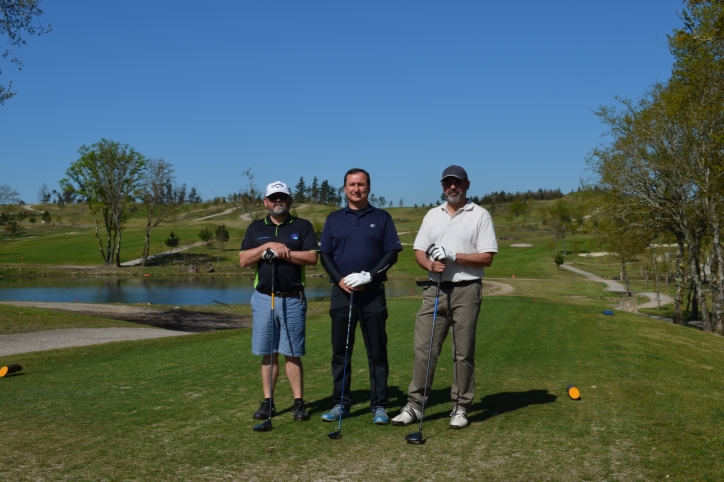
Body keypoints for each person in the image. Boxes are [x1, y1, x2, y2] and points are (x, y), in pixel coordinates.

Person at [391, 165, 498, 429]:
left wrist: (453, 256)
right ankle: (415, 406)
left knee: (463, 354)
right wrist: (429, 265)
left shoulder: (480, 215)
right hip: (434, 290)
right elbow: (418, 250)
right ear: (442, 186)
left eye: (457, 183)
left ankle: (461, 407)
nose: (453, 187)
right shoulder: (432, 215)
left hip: (467, 290)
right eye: (448, 183)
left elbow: (487, 257)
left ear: (467, 185)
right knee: (424, 351)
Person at [318, 168, 403, 425]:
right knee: (341, 351)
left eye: (362, 184)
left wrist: (371, 275)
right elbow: (325, 255)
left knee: (377, 351)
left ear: (369, 187)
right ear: (344, 189)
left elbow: (392, 253)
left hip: (372, 294)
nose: (357, 189)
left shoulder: (382, 217)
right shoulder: (334, 219)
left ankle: (379, 406)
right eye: (352, 185)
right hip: (342, 294)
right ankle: (340, 403)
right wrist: (339, 279)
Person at [239, 181, 318, 422]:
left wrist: (284, 252)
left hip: (292, 298)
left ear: (289, 200)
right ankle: (268, 402)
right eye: (273, 198)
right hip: (264, 298)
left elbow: (312, 257)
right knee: (268, 352)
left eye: (282, 197)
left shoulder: (302, 226)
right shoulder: (255, 228)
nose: (277, 202)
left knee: (292, 353)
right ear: (265, 202)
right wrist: (266, 246)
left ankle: (298, 403)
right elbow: (243, 259)